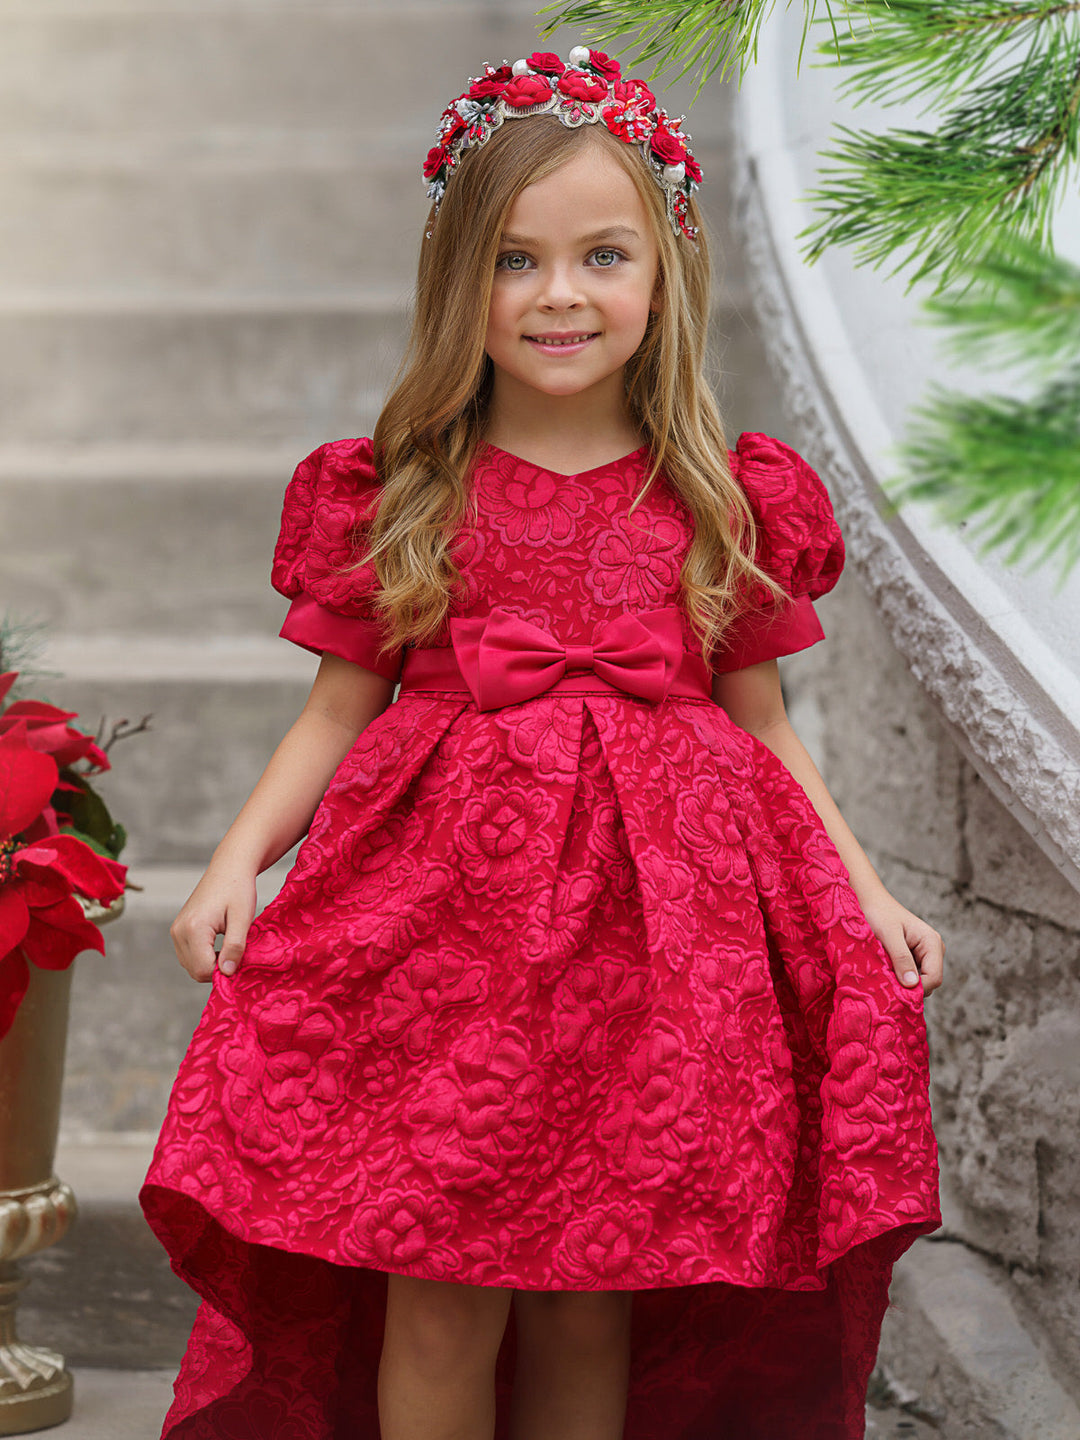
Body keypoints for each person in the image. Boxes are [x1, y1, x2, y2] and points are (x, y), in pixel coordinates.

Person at [141, 44, 944, 1440]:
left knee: (593, 1292)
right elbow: (336, 711)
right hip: (440, 937)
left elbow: (766, 731)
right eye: (515, 261)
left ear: (666, 272)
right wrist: (233, 865)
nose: (559, 293)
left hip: (657, 946)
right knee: (438, 1288)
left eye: (601, 256)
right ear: (459, 279)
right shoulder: (405, 492)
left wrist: (865, 894)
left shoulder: (720, 498)